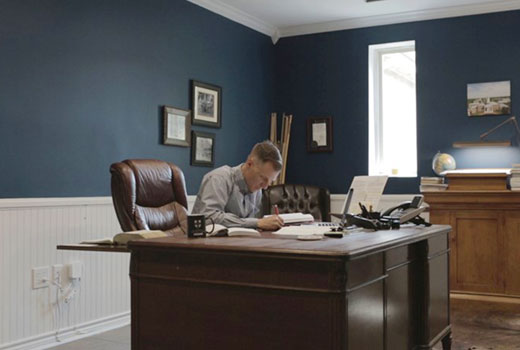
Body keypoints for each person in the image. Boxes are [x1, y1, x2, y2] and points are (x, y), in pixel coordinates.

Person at [192, 140, 284, 230]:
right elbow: (208, 218)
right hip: (205, 243)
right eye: (263, 178)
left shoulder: (257, 191)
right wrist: (256, 223)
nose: (265, 186)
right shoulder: (219, 178)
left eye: (270, 181)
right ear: (250, 164)